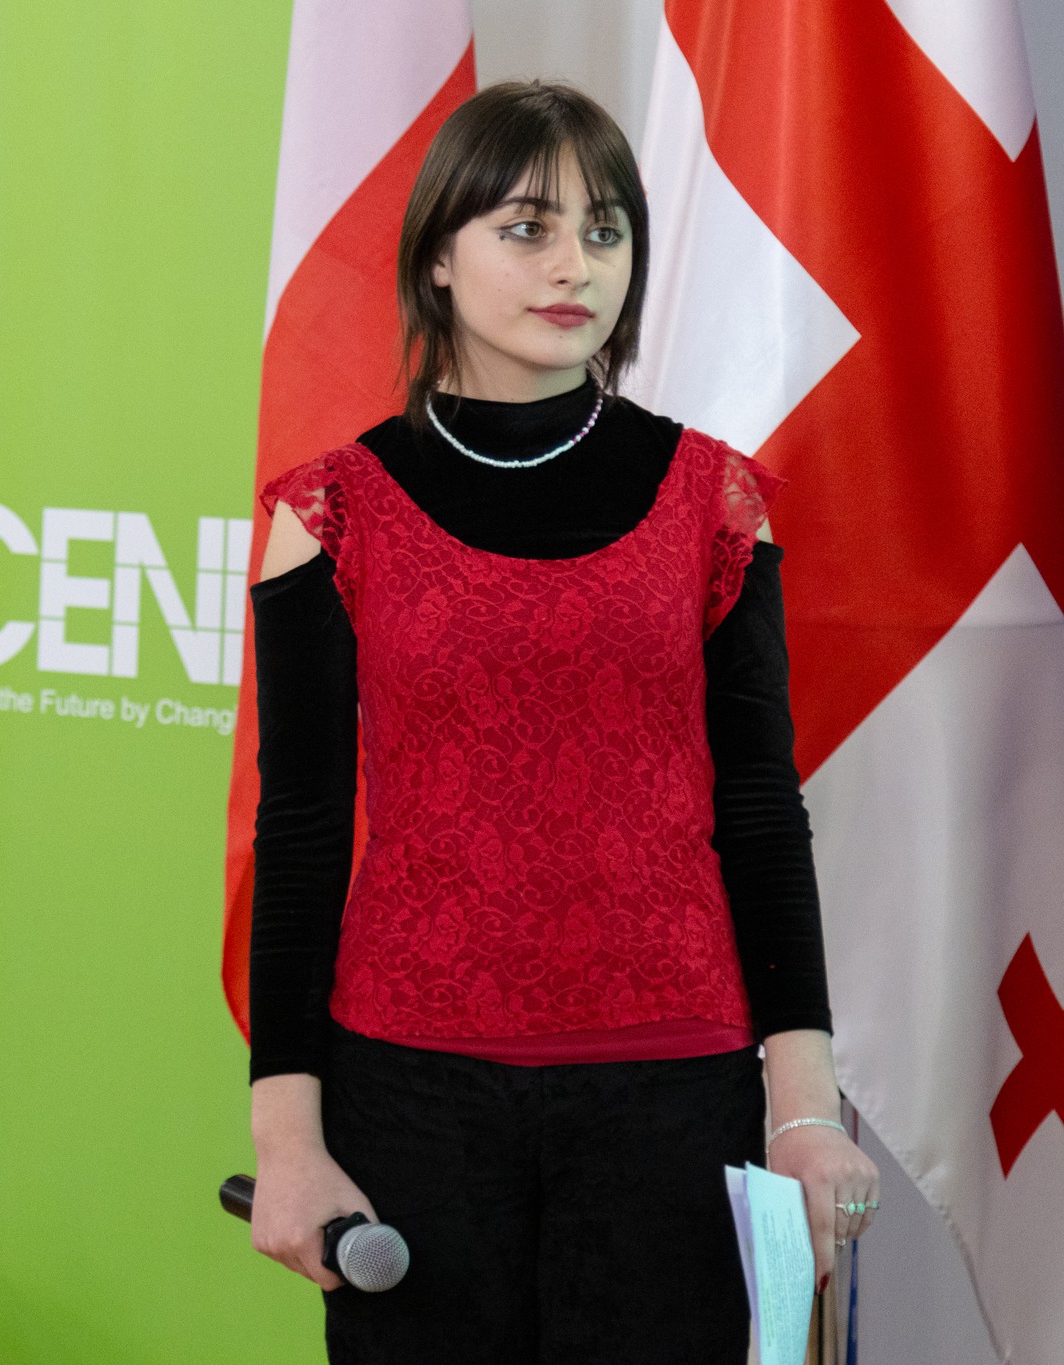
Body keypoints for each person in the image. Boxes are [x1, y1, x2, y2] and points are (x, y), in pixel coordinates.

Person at [246, 82, 879, 1360]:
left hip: (675, 1093)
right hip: (409, 1096)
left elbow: (760, 808)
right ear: (436, 255)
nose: (573, 265)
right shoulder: (328, 512)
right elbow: (301, 830)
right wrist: (287, 1143)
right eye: (526, 228)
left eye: (603, 230)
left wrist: (803, 1106)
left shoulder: (717, 501)